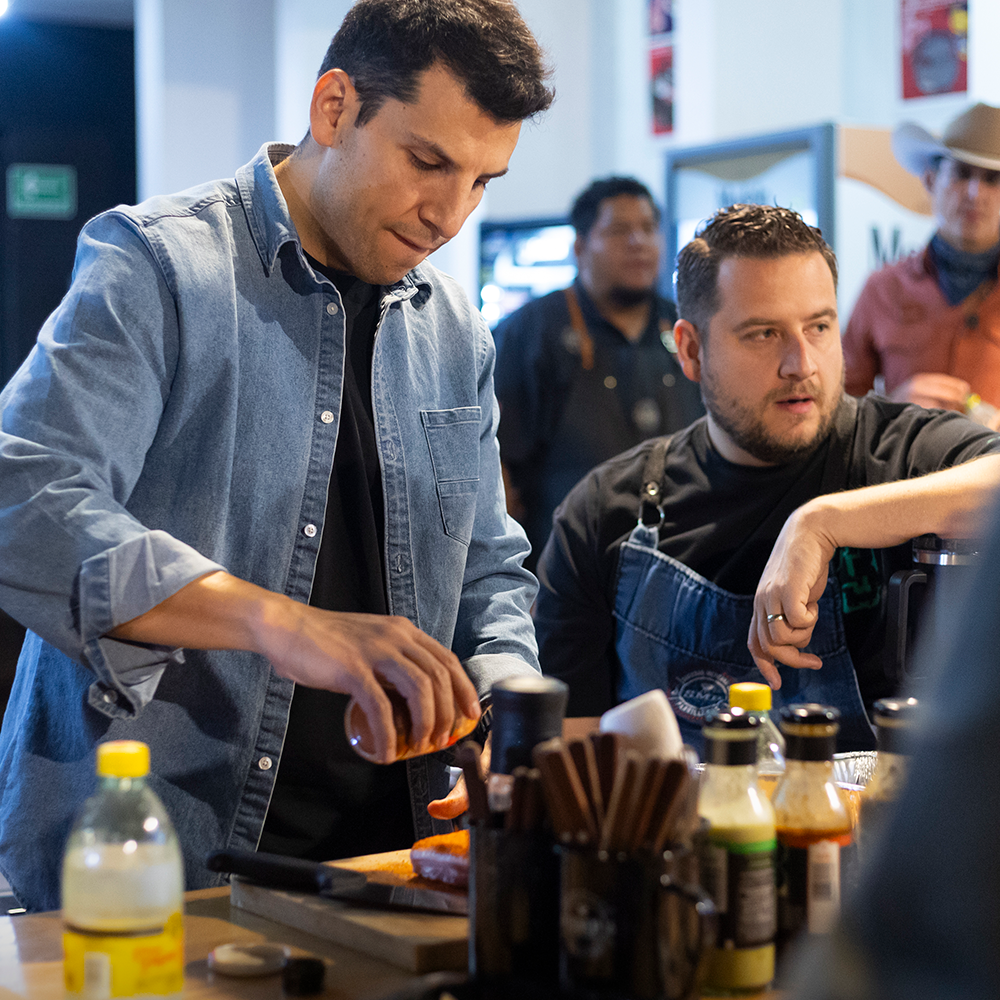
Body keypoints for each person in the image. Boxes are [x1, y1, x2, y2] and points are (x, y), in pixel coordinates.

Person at [0, 0, 553, 913]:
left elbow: (488, 571)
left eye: (482, 182)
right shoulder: (158, 266)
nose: (449, 215)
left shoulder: (456, 330)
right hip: (164, 860)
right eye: (428, 163)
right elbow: (24, 500)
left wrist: (508, 707)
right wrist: (278, 622)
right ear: (335, 107)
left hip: (391, 862)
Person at [534, 204, 1000, 753]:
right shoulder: (602, 514)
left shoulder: (899, 454)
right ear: (690, 349)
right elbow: (573, 760)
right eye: (763, 334)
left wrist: (822, 522)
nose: (801, 363)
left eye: (819, 326)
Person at [493, 177, 703, 570]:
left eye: (648, 228)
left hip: (682, 563)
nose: (638, 242)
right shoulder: (532, 332)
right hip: (565, 568)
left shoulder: (685, 326)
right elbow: (496, 465)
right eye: (619, 230)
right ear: (580, 246)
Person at [843, 103, 1000, 422]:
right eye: (961, 173)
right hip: (906, 456)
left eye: (993, 179)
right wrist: (888, 412)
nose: (975, 193)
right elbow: (837, 411)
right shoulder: (881, 289)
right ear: (930, 180)